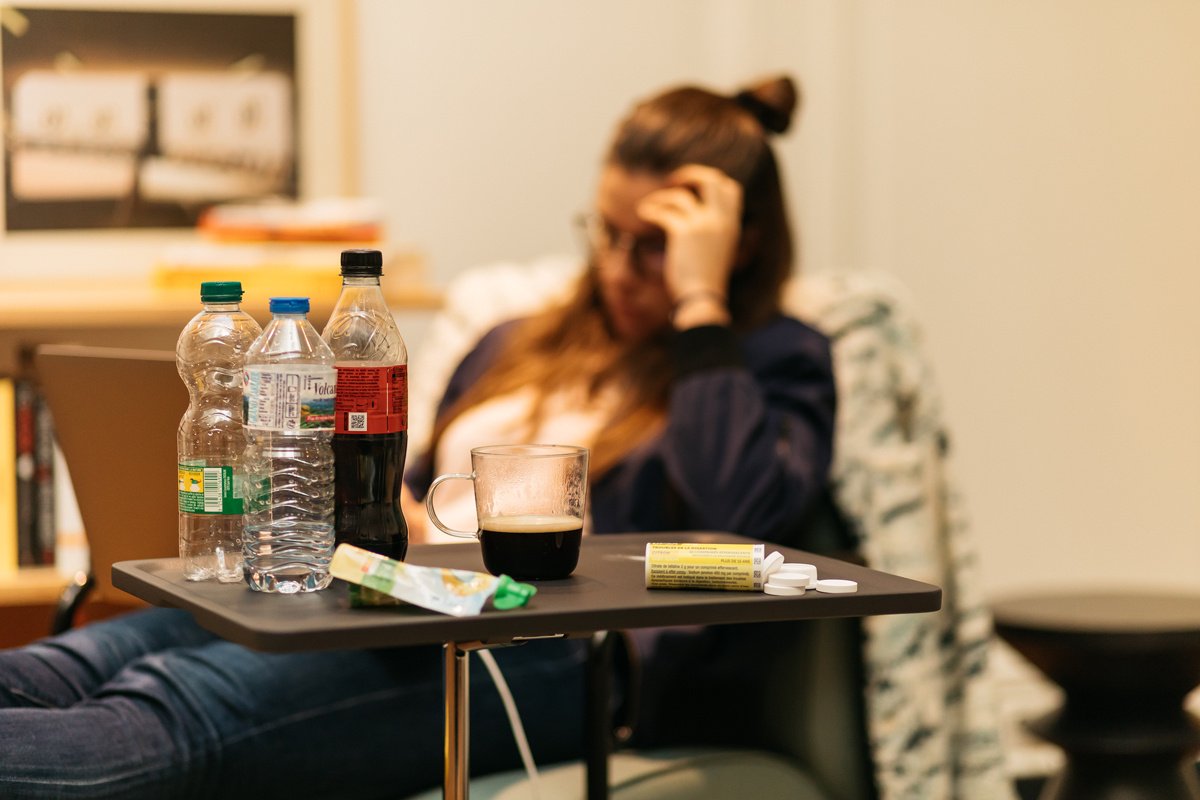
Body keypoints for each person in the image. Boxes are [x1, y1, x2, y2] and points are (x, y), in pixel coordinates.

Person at [0, 74, 834, 799]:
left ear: (734, 246)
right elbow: (418, 489)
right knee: (58, 669)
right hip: (393, 594)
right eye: (607, 233)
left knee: (159, 716)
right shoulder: (517, 339)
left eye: (652, 249)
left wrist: (699, 309)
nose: (617, 265)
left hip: (555, 649)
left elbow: (744, 507)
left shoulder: (771, 358)